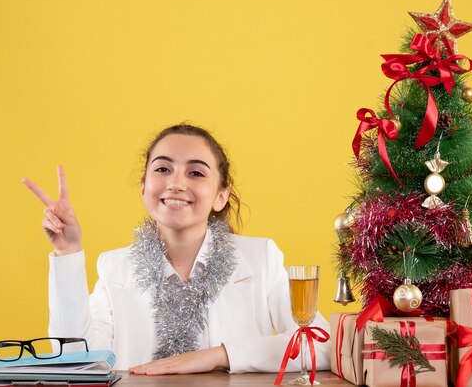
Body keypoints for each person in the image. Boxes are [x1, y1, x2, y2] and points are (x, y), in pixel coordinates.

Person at [22, 124, 330, 375]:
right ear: (144, 188)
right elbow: (76, 358)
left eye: (195, 173)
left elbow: (319, 345)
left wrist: (220, 355)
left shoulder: (260, 258)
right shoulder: (115, 268)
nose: (176, 183)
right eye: (162, 169)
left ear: (221, 196)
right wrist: (68, 250)